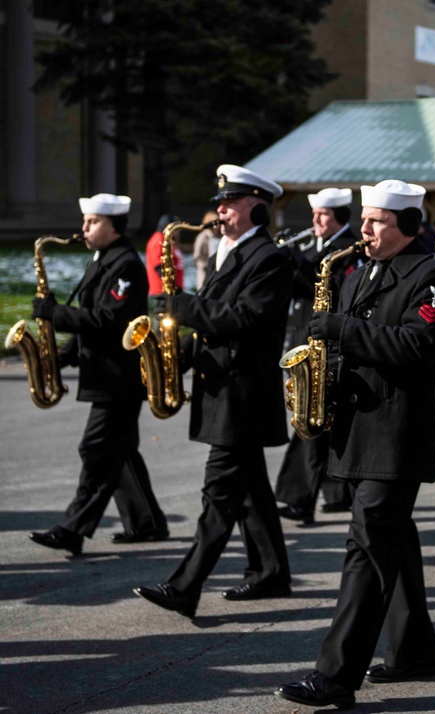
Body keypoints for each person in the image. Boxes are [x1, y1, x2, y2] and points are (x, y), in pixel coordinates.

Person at [275, 179, 435, 710]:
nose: (365, 230)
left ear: (407, 225)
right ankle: (415, 653)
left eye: (376, 221)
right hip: (356, 429)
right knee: (393, 544)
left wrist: (341, 330)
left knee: (366, 548)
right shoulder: (357, 271)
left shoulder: (434, 276)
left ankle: (335, 675)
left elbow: (419, 347)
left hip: (396, 436)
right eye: (365, 219)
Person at [133, 164, 293, 618]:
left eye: (229, 202)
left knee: (219, 495)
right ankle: (270, 572)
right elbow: (213, 324)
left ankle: (185, 586)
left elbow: (244, 319)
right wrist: (175, 354)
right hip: (224, 389)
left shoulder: (269, 258)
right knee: (249, 491)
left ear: (256, 208)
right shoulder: (231, 253)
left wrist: (180, 306)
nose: (219, 210)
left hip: (242, 395)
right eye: (219, 203)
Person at [27, 194, 169, 555]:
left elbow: (108, 320)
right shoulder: (103, 259)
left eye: (92, 222)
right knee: (119, 451)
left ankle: (73, 528)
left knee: (96, 450)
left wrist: (55, 314)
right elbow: (90, 318)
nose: (84, 228)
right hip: (104, 376)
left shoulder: (126, 265)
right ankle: (146, 523)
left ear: (113, 225)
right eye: (86, 222)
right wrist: (63, 355)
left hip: (117, 379)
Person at [274, 187, 360, 525]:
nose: (315, 221)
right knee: (323, 425)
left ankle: (298, 498)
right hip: (305, 340)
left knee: (310, 423)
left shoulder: (349, 250)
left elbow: (337, 290)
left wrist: (300, 263)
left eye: (322, 215)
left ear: (338, 217)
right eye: (315, 214)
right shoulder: (316, 247)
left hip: (329, 346)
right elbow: (300, 290)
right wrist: (287, 261)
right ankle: (338, 493)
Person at [145, 213, 183, 295]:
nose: (178, 231)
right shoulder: (158, 239)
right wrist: (171, 284)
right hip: (162, 290)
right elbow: (159, 266)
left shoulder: (167, 239)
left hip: (171, 289)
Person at [191, 211, 221, 289]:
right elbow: (197, 257)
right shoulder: (202, 237)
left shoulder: (221, 236)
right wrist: (207, 266)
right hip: (205, 272)